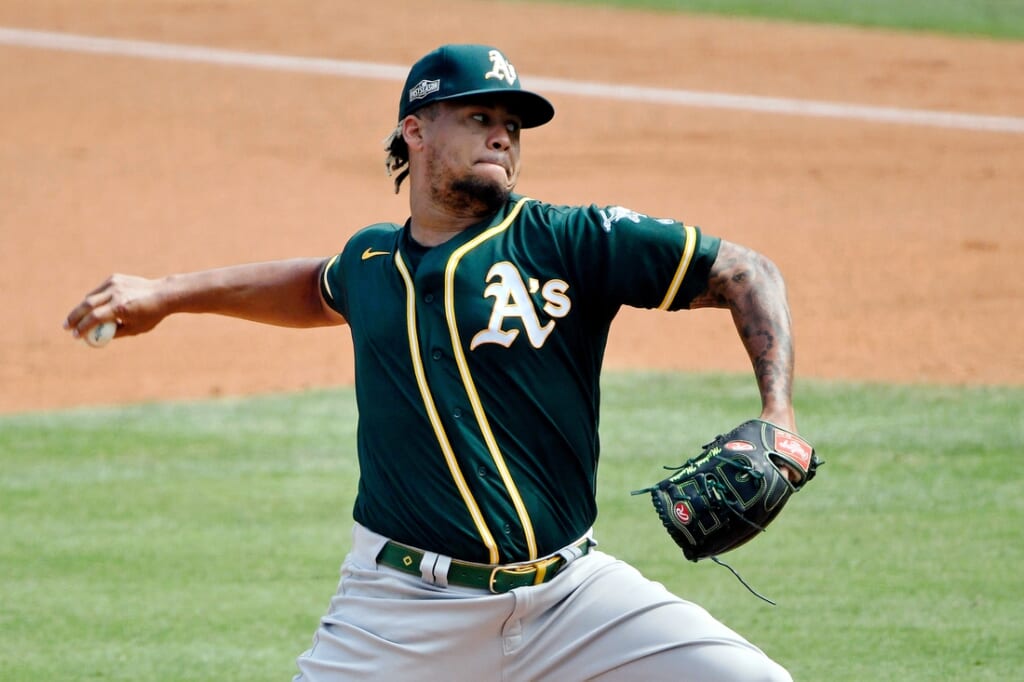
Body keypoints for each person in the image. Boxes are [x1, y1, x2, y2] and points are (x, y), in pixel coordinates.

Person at [65, 44, 800, 681]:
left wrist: (779, 416)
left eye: (512, 126)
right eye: (480, 118)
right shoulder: (371, 259)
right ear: (415, 130)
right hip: (399, 611)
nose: (503, 137)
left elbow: (745, 270)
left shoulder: (571, 240)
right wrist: (165, 294)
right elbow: (311, 287)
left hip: (573, 598)